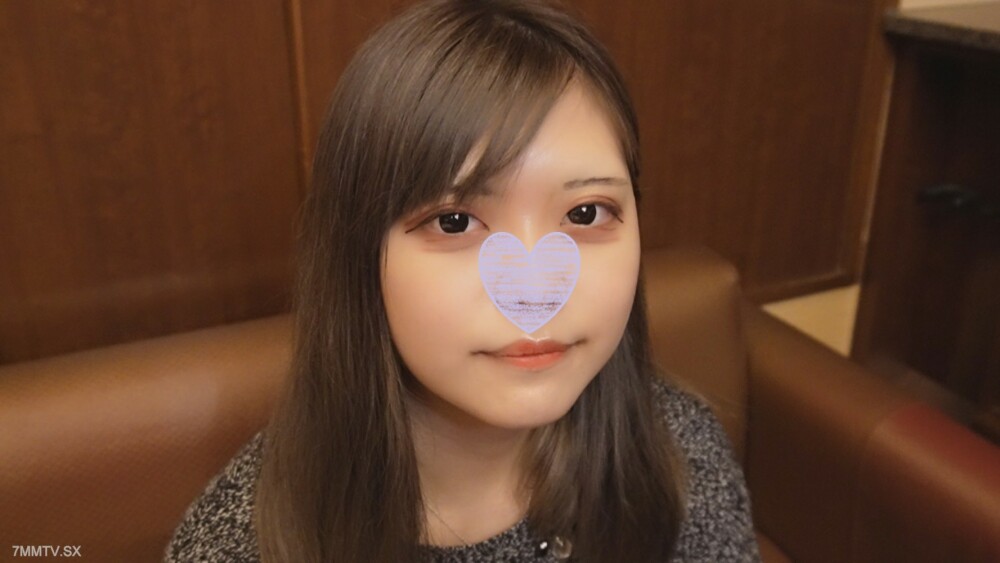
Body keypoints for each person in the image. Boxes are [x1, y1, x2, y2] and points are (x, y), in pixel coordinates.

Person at [164, 0, 760, 561]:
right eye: (455, 222)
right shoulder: (235, 544)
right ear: (358, 254)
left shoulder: (681, 457)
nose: (533, 294)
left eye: (585, 214)